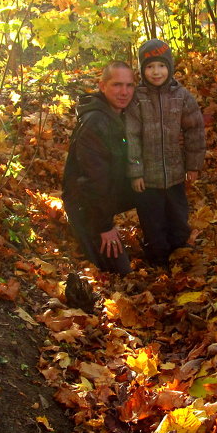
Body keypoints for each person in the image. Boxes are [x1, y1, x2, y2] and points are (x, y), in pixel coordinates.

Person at [126, 39, 206, 266]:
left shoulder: (182, 95)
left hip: (174, 173)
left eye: (161, 66)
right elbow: (130, 136)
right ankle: (158, 255)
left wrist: (193, 165)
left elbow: (194, 130)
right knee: (152, 219)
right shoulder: (137, 98)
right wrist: (135, 171)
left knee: (178, 214)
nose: (156, 72)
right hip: (147, 178)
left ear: (169, 67)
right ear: (142, 69)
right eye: (150, 67)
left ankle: (180, 250)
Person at [61, 61, 137, 274]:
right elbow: (93, 181)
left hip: (109, 190)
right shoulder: (95, 123)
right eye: (117, 85)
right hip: (86, 202)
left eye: (129, 85)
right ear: (102, 86)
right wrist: (104, 226)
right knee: (120, 271)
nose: (124, 92)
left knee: (155, 185)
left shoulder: (122, 112)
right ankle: (86, 230)